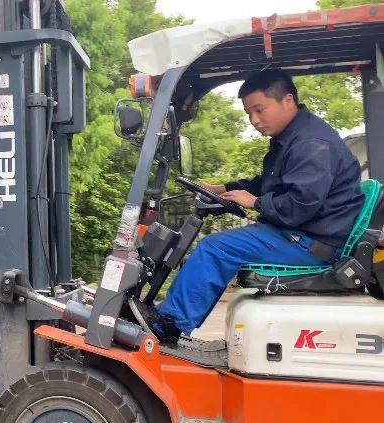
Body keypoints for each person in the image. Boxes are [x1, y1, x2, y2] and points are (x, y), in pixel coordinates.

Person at [147, 69, 365, 343]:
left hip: (310, 243)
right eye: (249, 113)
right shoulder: (294, 137)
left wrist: (254, 202)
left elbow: (299, 204)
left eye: (259, 110)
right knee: (217, 246)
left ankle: (168, 325)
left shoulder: (311, 144)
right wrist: (220, 189)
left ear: (287, 100)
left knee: (215, 248)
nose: (254, 120)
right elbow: (268, 184)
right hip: (302, 235)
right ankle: (170, 316)